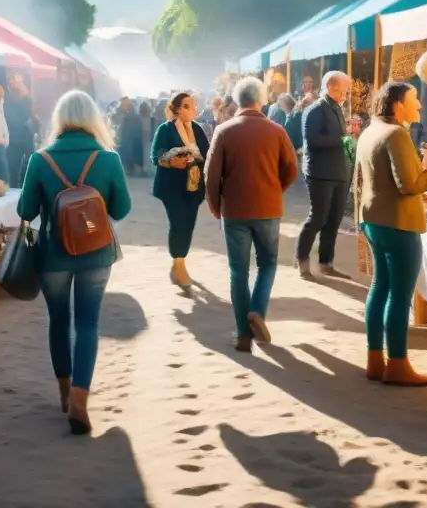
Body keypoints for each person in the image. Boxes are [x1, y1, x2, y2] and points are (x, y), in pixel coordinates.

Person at [17, 90, 132, 436]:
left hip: (53, 255)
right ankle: (82, 397)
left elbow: (26, 211)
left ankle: (65, 391)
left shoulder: (40, 159)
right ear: (93, 117)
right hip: (96, 253)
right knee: (87, 323)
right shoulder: (108, 158)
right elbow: (121, 209)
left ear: (60, 119)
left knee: (58, 320)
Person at [355, 81, 427, 387]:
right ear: (398, 106)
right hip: (398, 222)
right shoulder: (397, 133)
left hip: (373, 218)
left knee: (380, 288)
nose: (419, 106)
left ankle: (375, 359)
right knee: (400, 296)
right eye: (414, 100)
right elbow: (409, 185)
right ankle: (398, 364)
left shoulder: (371, 130)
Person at [205, 77, 298, 353]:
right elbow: (291, 169)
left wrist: (215, 206)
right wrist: (274, 188)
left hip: (234, 211)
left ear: (237, 100)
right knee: (268, 264)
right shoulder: (276, 130)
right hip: (268, 209)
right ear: (262, 99)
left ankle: (243, 334)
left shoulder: (224, 131)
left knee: (238, 271)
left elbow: (211, 176)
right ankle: (257, 310)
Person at [295, 71, 354, 280]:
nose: (346, 94)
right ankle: (302, 259)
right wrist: (343, 140)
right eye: (344, 90)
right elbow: (313, 141)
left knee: (334, 219)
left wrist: (349, 158)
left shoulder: (336, 108)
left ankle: (326, 262)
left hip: (339, 172)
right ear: (330, 86)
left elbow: (342, 139)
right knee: (318, 217)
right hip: (320, 173)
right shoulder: (315, 110)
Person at [151, 92, 210, 290]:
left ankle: (179, 263)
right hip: (171, 186)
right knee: (179, 221)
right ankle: (179, 264)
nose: (190, 109)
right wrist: (171, 161)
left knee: (188, 224)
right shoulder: (165, 129)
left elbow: (208, 153)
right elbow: (156, 155)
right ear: (176, 109)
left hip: (193, 186)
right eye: (186, 106)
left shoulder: (198, 129)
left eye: (192, 105)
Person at [4, 72, 35, 185]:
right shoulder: (25, 101)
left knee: (15, 169)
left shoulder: (10, 102)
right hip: (20, 139)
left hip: (16, 139)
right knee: (22, 169)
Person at [116, 97, 144, 176]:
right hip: (124, 139)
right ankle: (127, 169)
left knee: (128, 154)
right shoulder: (120, 112)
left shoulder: (132, 115)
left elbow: (137, 128)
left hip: (129, 139)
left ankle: (130, 169)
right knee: (125, 153)